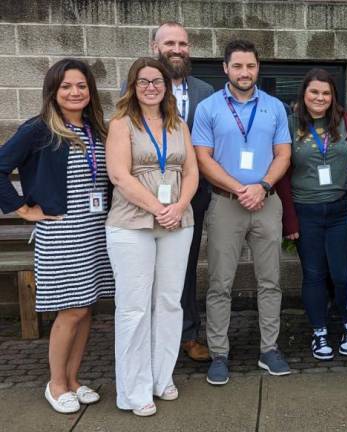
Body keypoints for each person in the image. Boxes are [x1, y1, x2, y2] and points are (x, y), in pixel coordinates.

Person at [0, 59, 113, 414]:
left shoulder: (97, 128)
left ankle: (75, 379)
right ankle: (56, 383)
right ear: (53, 90)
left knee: (86, 308)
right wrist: (23, 208)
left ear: (90, 91)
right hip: (62, 233)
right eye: (66, 86)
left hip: (96, 230)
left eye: (81, 86)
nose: (75, 92)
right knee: (71, 310)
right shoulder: (38, 129)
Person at [192, 40, 292, 384]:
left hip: (267, 201)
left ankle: (269, 349)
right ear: (225, 69)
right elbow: (202, 159)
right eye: (237, 66)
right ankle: (219, 353)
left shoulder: (276, 107)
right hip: (225, 204)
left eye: (250, 66)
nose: (244, 73)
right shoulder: (208, 108)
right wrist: (240, 188)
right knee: (220, 282)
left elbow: (283, 154)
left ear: (258, 67)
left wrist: (262, 186)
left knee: (270, 281)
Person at [106, 57, 198, 416]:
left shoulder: (178, 124)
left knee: (170, 303)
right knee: (133, 308)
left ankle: (162, 377)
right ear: (133, 85)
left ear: (167, 86)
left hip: (177, 221)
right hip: (132, 223)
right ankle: (133, 389)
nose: (150, 87)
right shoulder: (121, 124)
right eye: (143, 81)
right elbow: (119, 175)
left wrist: (178, 207)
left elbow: (191, 172)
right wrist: (157, 208)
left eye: (156, 80)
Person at [275, 68, 347, 360]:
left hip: (341, 211)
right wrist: (289, 218)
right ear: (304, 93)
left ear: (333, 96)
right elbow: (283, 174)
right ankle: (319, 331)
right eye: (314, 92)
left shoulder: (346, 122)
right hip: (306, 211)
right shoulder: (289, 125)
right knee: (314, 274)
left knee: (342, 274)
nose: (320, 98)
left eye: (326, 93)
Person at [150, 21, 215, 362]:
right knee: (148, 268)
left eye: (183, 43)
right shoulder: (138, 87)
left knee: (185, 266)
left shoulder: (205, 92)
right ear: (154, 47)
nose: (177, 49)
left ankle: (188, 333)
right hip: (147, 196)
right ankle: (152, 338)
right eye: (169, 43)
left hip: (193, 196)